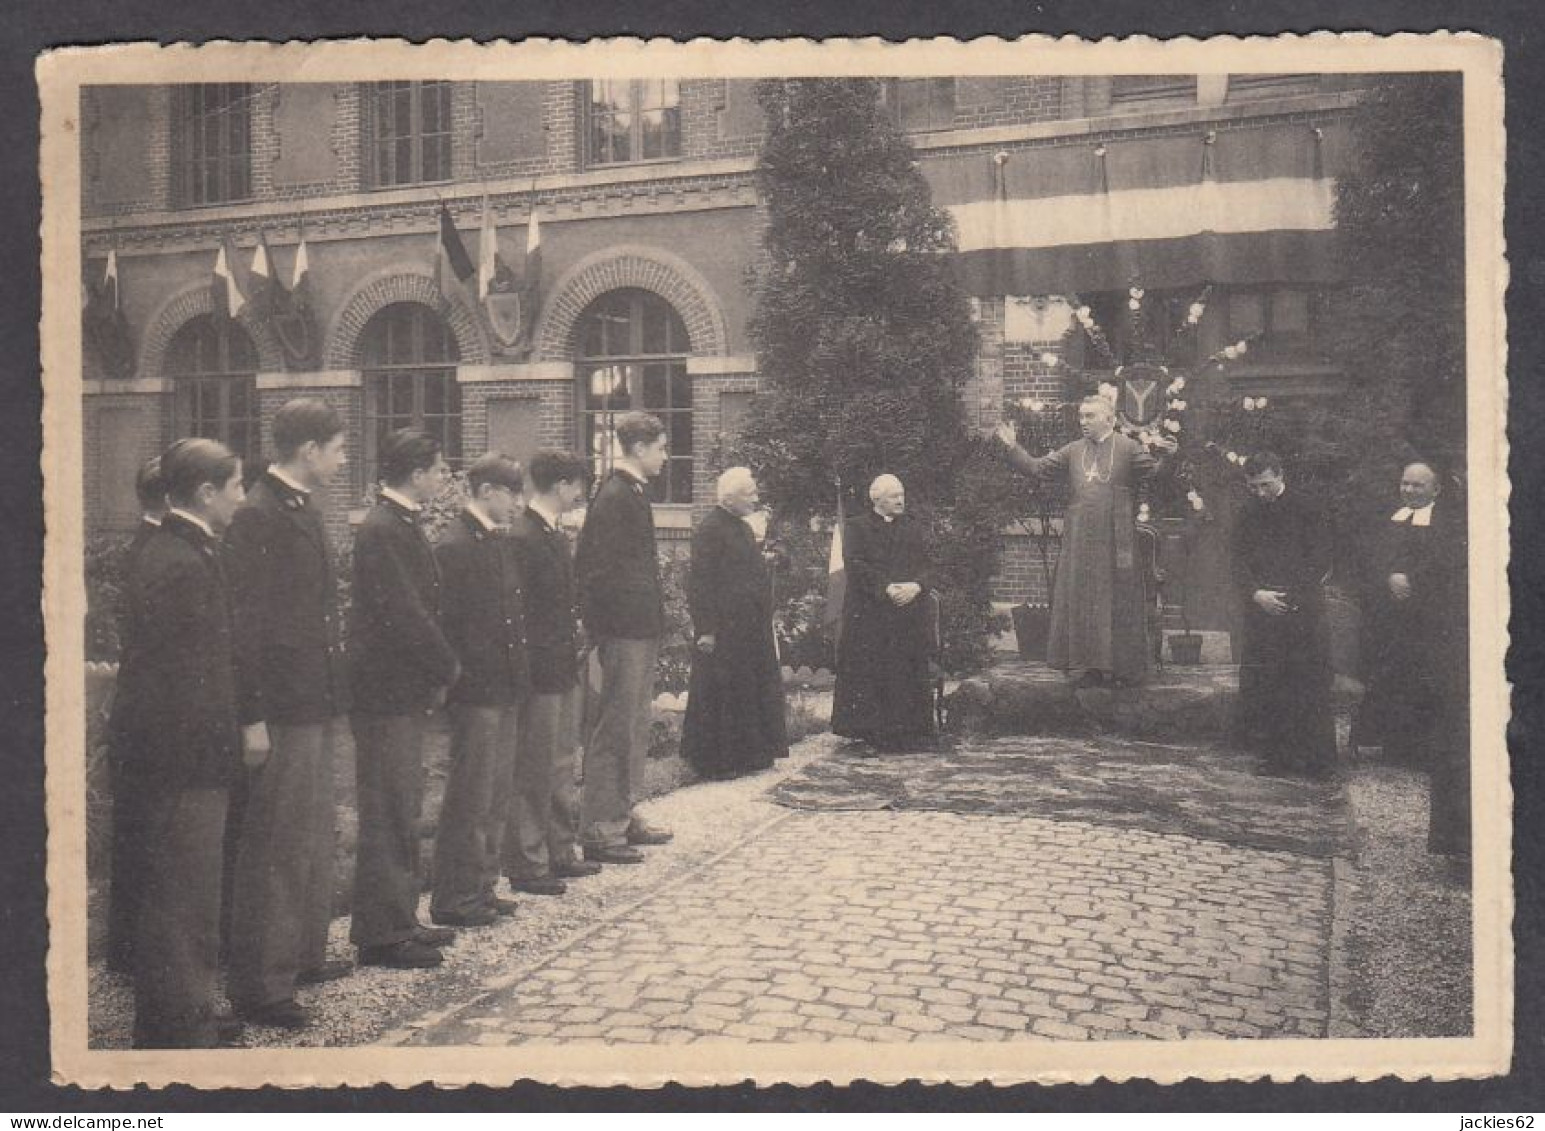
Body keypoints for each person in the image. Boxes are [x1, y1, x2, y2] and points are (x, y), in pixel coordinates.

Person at [115, 438, 249, 1047]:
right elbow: (183, 678)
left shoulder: (184, 549)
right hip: (181, 762)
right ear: (205, 493)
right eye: (237, 487)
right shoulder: (179, 560)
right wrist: (219, 752)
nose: (241, 499)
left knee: (189, 891)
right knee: (180, 893)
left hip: (184, 756)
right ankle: (177, 1024)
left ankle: (185, 1009)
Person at [223, 399, 353, 1030]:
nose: (343, 457)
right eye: (337, 446)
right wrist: (252, 717)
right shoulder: (258, 516)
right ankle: (262, 986)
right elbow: (245, 631)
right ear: (309, 451)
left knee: (307, 834)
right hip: (280, 706)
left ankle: (300, 956)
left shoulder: (299, 507)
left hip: (311, 699)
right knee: (275, 844)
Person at [348, 429, 460, 968]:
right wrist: (446, 663)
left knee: (403, 804)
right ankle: (382, 933)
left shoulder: (396, 524)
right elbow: (405, 612)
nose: (443, 478)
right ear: (416, 474)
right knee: (390, 808)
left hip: (399, 688)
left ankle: (400, 917)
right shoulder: (383, 529)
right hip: (386, 692)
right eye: (438, 469)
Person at [995, 396, 1173, 686]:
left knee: (1119, 599)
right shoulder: (1072, 450)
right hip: (1080, 539)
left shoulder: (1128, 448)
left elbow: (1155, 474)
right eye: (1081, 415)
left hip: (1118, 540)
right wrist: (1012, 448)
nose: (1083, 421)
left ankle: (1122, 669)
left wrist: (1169, 456)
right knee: (1084, 599)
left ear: (1109, 419)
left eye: (1090, 416)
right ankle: (1088, 667)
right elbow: (1038, 468)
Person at [429, 452, 530, 927]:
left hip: (503, 686)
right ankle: (455, 896)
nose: (517, 502)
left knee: (494, 791)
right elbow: (450, 626)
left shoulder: (494, 542)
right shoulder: (455, 546)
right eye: (511, 493)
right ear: (487, 491)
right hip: (476, 691)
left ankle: (482, 885)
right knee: (470, 794)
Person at [574, 411, 674, 865]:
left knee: (633, 723)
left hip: (638, 626)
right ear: (639, 448)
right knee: (616, 724)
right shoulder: (615, 496)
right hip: (622, 630)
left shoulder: (630, 493)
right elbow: (598, 571)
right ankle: (600, 827)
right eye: (661, 447)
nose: (665, 456)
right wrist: (606, 632)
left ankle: (623, 812)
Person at [1356, 461, 1470, 856]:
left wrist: (1412, 581)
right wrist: (1389, 576)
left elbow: (1447, 568)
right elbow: (1372, 558)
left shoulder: (1447, 525)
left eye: (1419, 485)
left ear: (1435, 490)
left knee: (1423, 680)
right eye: (1405, 483)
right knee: (1390, 677)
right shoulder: (1392, 517)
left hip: (1428, 617)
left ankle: (1418, 749)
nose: (1410, 490)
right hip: (1390, 616)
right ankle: (1393, 745)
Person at [503, 450, 603, 894]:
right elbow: (518, 613)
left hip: (562, 666)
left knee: (562, 762)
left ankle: (560, 850)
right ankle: (527, 861)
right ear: (560, 485)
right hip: (541, 671)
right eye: (577, 485)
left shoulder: (550, 533)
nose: (580, 494)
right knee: (535, 767)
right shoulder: (524, 536)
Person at [1231, 452, 1338, 779]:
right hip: (1263, 608)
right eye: (1253, 487)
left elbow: (1320, 559)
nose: (1260, 493)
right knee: (1269, 684)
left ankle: (1318, 760)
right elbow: (1236, 560)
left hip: (1303, 610)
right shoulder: (1246, 513)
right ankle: (1276, 757)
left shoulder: (1309, 509)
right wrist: (1257, 594)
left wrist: (1291, 599)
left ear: (1280, 474)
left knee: (1308, 683)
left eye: (1266, 484)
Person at [681, 468, 789, 779]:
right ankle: (718, 762)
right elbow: (700, 583)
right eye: (750, 494)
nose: (756, 499)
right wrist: (706, 629)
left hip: (748, 626)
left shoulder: (740, 527)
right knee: (723, 691)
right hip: (724, 628)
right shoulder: (710, 529)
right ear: (731, 497)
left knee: (747, 688)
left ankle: (751, 754)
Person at [105, 454, 166, 976]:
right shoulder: (157, 552)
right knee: (144, 836)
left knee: (138, 834)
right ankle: (132, 948)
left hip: (138, 716)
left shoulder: (145, 546)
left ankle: (127, 946)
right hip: (149, 720)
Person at [830, 474, 935, 752]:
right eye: (893, 496)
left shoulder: (913, 528)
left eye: (901, 494)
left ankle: (907, 732)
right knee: (871, 670)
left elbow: (928, 565)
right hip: (870, 614)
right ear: (876, 499)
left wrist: (916, 586)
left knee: (905, 669)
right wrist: (886, 588)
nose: (900, 500)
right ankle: (869, 733)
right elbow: (856, 565)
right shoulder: (856, 528)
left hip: (907, 614)